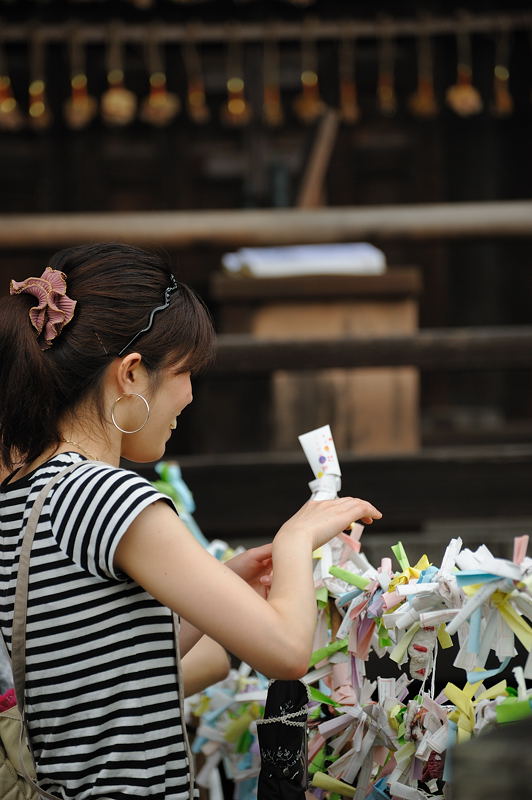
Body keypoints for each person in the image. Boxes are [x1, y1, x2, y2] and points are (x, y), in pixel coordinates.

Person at [0, 243, 382, 800]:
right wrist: (296, 538)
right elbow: (287, 651)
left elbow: (100, 676)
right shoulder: (109, 496)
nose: (190, 395)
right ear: (131, 374)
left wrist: (221, 582)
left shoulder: (22, 493)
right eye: (184, 373)